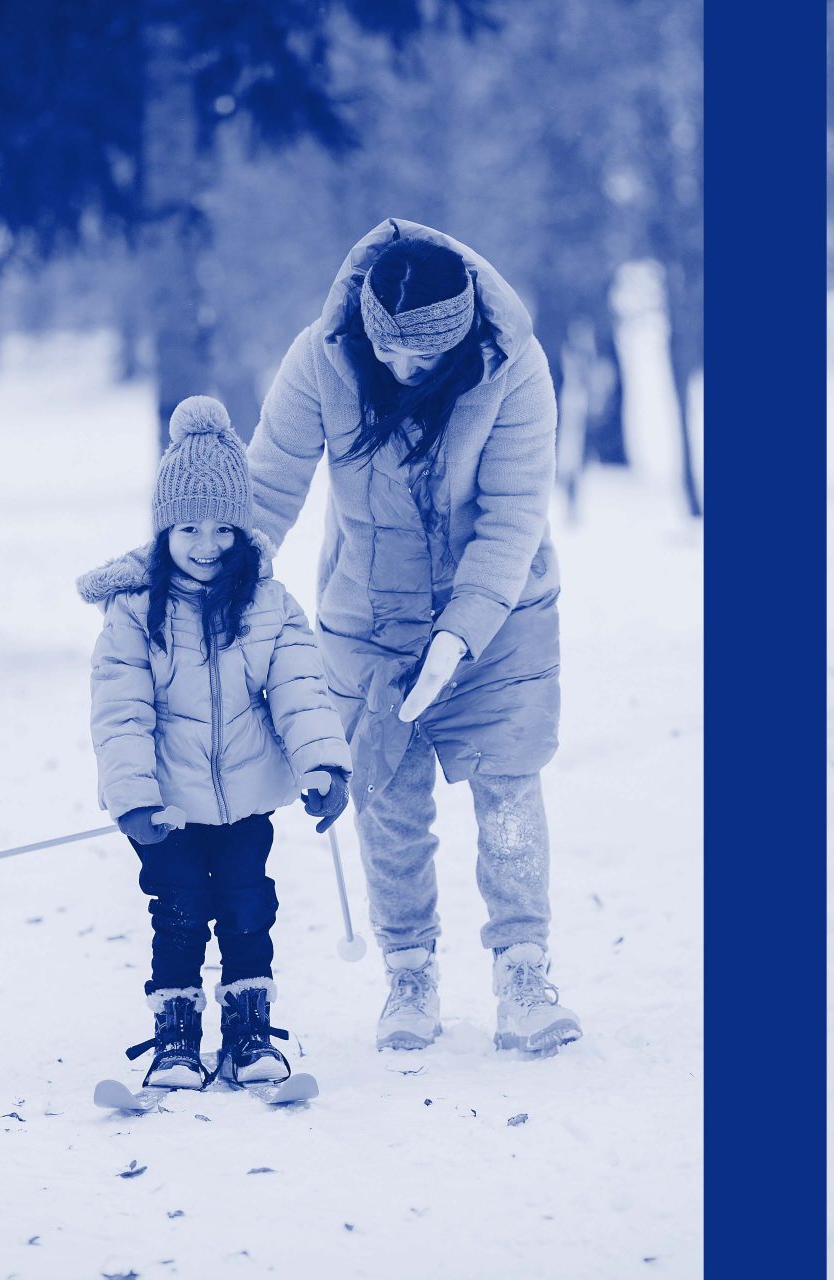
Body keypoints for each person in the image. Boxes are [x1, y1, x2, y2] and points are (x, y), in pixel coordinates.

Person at [245, 218, 582, 1057]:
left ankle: (524, 970)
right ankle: (410, 973)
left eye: (422, 357)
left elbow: (510, 522)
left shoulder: (516, 369)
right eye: (386, 350)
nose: (400, 368)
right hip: (368, 619)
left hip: (500, 618)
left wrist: (457, 639)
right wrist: (215, 589)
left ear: (460, 337)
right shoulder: (322, 356)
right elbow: (269, 482)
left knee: (507, 784)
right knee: (386, 801)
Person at [79, 395, 351, 1091]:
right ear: (164, 530)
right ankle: (176, 1039)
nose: (206, 545)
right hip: (165, 809)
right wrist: (133, 798)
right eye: (189, 527)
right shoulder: (134, 616)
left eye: (224, 528)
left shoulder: (268, 606)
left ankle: (248, 1031)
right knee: (178, 914)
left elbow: (300, 687)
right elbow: (121, 713)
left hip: (245, 803)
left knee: (247, 908)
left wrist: (320, 762)